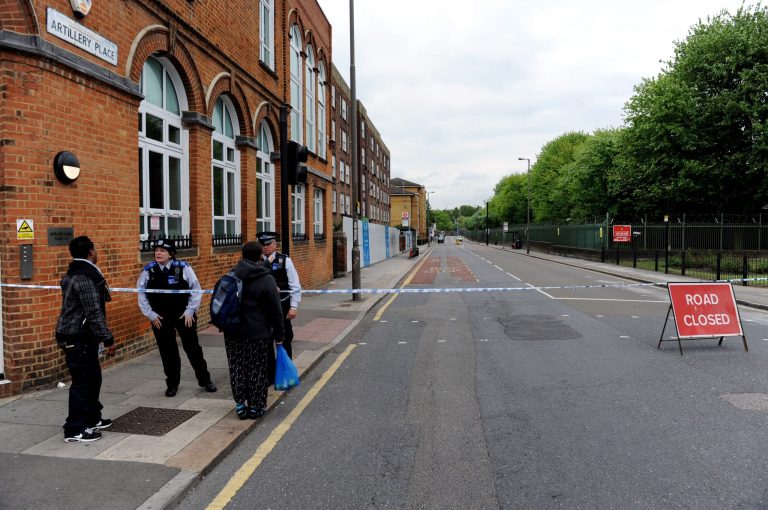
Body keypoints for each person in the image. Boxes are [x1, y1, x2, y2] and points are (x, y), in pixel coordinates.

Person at [55, 236, 116, 443]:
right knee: (82, 382)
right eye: (95, 249)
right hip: (77, 337)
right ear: (91, 251)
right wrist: (107, 338)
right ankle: (74, 429)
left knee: (93, 378)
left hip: (80, 335)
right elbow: (93, 312)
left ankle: (92, 417)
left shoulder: (74, 272)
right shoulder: (85, 277)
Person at [137, 238, 216, 397]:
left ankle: (204, 379)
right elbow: (141, 292)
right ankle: (172, 383)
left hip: (183, 314)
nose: (158, 253)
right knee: (167, 351)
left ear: (171, 254)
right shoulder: (148, 270)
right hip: (160, 317)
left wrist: (190, 310)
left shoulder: (183, 267)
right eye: (156, 250)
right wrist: (150, 314)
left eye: (162, 250)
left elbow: (196, 289)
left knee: (192, 348)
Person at [223, 241, 285, 419]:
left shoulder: (232, 275)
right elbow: (276, 311)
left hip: (233, 332)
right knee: (256, 369)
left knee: (236, 367)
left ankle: (240, 405)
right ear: (260, 257)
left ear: (242, 255)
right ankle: (256, 406)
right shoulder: (266, 279)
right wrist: (279, 336)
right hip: (257, 333)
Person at [256, 231, 301, 381]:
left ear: (275, 245)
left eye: (268, 244)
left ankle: (285, 372)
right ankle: (270, 375)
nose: (265, 247)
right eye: (262, 245)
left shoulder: (285, 261)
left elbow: (295, 285)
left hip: (282, 307)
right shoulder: (256, 262)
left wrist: (293, 306)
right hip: (263, 310)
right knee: (266, 341)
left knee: (285, 339)